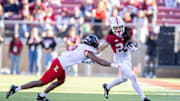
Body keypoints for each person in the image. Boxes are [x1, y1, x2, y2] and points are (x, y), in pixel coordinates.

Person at [6, 35, 120, 101]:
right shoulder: (86, 50)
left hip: (61, 64)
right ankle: (16, 88)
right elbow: (99, 60)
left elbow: (97, 52)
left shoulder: (82, 46)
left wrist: (108, 42)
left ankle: (41, 96)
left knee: (61, 81)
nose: (96, 47)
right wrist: (113, 65)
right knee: (41, 82)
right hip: (59, 65)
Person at [98, 16, 151, 101]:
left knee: (124, 78)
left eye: (120, 27)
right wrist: (95, 52)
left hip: (127, 57)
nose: (118, 29)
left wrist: (135, 48)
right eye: (116, 27)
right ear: (112, 28)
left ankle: (107, 87)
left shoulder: (128, 31)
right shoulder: (110, 36)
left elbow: (135, 42)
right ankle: (143, 98)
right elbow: (103, 47)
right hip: (119, 59)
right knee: (132, 76)